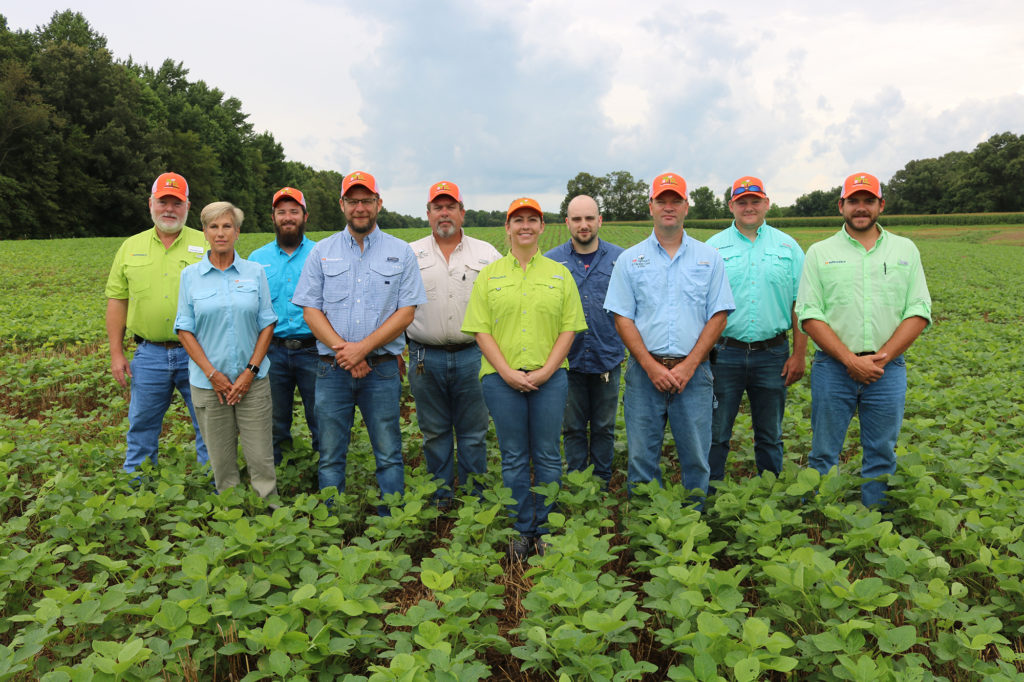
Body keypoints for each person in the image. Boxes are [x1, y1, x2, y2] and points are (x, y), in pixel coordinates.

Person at [795, 172, 931, 507]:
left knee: (882, 452)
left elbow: (918, 309)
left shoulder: (905, 250)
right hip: (832, 368)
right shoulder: (819, 252)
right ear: (841, 205)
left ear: (880, 205)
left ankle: (874, 524)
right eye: (853, 201)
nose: (861, 208)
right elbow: (809, 314)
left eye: (868, 201)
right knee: (824, 451)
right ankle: (822, 517)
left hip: (888, 370)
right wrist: (849, 360)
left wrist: (881, 358)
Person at [292, 171, 426, 511]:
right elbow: (311, 311)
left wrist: (362, 349)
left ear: (379, 204)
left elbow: (406, 312)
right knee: (330, 454)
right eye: (353, 201)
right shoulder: (322, 252)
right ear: (342, 205)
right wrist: (345, 351)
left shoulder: (401, 252)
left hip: (380, 372)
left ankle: (391, 521)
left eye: (367, 200)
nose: (360, 207)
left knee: (389, 453)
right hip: (331, 370)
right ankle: (331, 523)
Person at [463, 197, 587, 559]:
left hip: (551, 380)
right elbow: (480, 330)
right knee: (514, 455)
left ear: (543, 227)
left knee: (548, 454)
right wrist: (505, 371)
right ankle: (521, 530)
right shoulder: (490, 276)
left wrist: (547, 370)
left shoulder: (558, 274)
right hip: (501, 382)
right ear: (508, 228)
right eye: (518, 220)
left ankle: (546, 531)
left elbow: (570, 328)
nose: (525, 226)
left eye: (533, 219)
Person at [604, 172, 734, 501]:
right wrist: (650, 367)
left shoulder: (709, 258)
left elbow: (718, 315)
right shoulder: (630, 260)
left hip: (695, 374)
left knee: (696, 459)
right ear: (651, 206)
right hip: (644, 374)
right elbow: (622, 317)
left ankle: (692, 524)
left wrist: (689, 366)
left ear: (686, 207)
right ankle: (649, 529)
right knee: (641, 459)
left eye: (675, 201)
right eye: (662, 200)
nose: (669, 207)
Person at [105, 172, 209, 473]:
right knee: (142, 426)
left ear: (188, 206)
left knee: (208, 425)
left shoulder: (207, 244)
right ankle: (138, 487)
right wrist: (116, 353)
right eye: (163, 201)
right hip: (149, 354)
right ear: (151, 203)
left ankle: (215, 492)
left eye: (176, 203)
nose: (169, 209)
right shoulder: (130, 247)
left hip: (199, 353)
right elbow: (117, 301)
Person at [705, 176, 807, 486]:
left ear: (766, 204)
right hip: (724, 353)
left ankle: (770, 491)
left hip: (773, 354)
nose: (749, 207)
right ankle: (710, 493)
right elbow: (701, 305)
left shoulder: (788, 247)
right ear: (731, 206)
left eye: (755, 201)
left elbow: (801, 305)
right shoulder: (713, 248)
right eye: (742, 202)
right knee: (717, 431)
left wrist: (799, 355)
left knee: (770, 433)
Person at [174, 202, 278, 497]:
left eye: (227, 226)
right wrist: (212, 374)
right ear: (205, 232)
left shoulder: (254, 272)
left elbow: (267, 324)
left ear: (237, 232)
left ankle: (269, 517)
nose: (221, 233)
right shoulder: (190, 276)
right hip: (209, 386)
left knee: (261, 460)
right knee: (221, 463)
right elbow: (184, 329)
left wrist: (250, 371)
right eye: (213, 226)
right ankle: (232, 519)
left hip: (253, 384)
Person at [407, 181, 501, 504]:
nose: (444, 213)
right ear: (428, 214)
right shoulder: (411, 254)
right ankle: (441, 500)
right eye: (437, 207)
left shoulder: (487, 254)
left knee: (474, 433)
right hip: (424, 357)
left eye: (450, 207)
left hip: (473, 355)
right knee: (434, 433)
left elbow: (502, 305)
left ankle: (475, 500)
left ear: (463, 213)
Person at [544, 195, 624, 486]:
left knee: (604, 426)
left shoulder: (621, 259)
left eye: (589, 218)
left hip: (607, 357)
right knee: (573, 427)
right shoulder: (551, 261)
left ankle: (602, 479)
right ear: (567, 223)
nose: (584, 224)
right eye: (577, 219)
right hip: (568, 360)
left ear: (599, 220)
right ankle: (578, 481)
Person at [248, 187, 320, 466]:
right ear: (273, 217)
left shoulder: (321, 253)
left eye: (293, 211)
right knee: (275, 420)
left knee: (321, 418)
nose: (287, 217)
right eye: (281, 212)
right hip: (272, 351)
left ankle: (323, 476)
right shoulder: (256, 258)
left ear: (305, 216)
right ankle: (280, 475)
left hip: (315, 350)